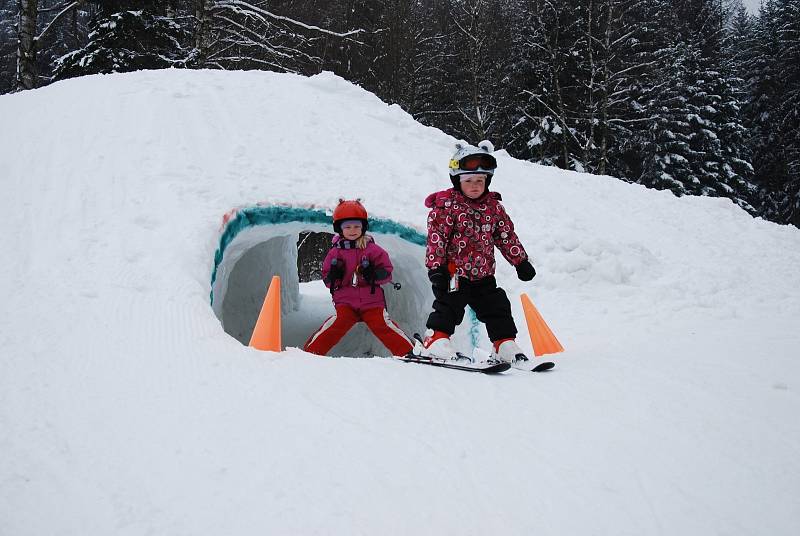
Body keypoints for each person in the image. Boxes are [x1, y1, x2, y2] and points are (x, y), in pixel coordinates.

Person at [419, 140, 537, 364]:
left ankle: (504, 343)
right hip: (455, 274)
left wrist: (520, 261)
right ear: (457, 181)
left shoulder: (493, 208)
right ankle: (436, 340)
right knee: (449, 306)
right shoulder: (446, 207)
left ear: (487, 181)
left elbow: (505, 236)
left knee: (497, 306)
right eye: (469, 181)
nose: (475, 185)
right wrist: (436, 268)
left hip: (483, 274)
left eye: (480, 181)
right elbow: (437, 240)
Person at [304, 199, 414, 357]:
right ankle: (311, 352)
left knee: (382, 325)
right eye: (347, 227)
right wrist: (335, 276)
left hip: (371, 302)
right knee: (336, 324)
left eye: (357, 226)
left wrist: (374, 274)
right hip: (346, 302)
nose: (352, 230)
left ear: (363, 227)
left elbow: (387, 271)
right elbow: (327, 280)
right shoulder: (335, 253)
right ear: (339, 229)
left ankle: (409, 352)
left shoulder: (372, 249)